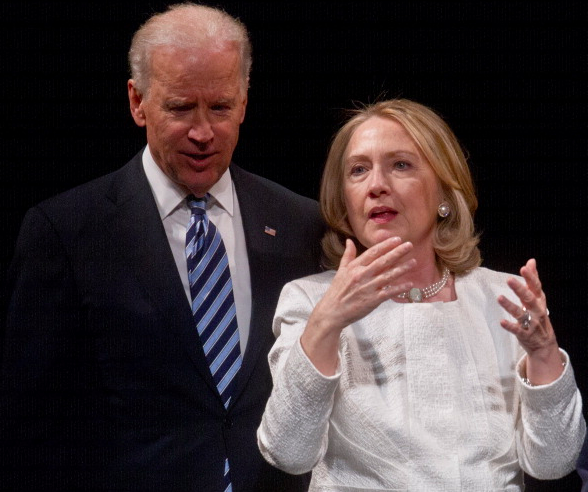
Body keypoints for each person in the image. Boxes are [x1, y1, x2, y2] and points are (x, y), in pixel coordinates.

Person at [1, 3, 323, 491]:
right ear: (137, 102)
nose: (202, 132)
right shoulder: (65, 232)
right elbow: (35, 427)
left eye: (220, 107)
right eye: (179, 108)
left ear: (244, 102)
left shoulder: (299, 222)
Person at [257, 98, 586, 490]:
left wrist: (545, 353)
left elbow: (553, 462)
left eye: (401, 165)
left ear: (444, 195)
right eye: (359, 170)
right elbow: (288, 453)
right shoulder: (308, 301)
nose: (377, 185)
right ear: (344, 201)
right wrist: (327, 323)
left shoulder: (500, 297)